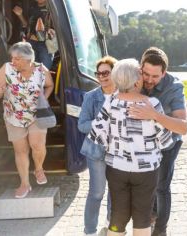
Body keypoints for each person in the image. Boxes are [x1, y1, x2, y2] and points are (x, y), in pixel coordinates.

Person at [88, 58, 173, 236]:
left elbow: (97, 135)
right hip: (147, 170)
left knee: (118, 216)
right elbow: (165, 141)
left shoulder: (110, 102)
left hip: (117, 168)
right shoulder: (152, 104)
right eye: (141, 74)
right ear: (136, 81)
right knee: (143, 217)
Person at [128, 47, 187, 236]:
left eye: (155, 76)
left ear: (164, 72)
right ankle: (151, 217)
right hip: (143, 142)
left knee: (161, 186)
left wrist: (154, 114)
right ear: (140, 68)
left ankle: (160, 230)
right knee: (146, 184)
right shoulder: (135, 76)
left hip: (169, 142)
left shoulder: (175, 86)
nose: (149, 80)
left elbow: (183, 127)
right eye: (146, 74)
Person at [0, 41, 54, 198]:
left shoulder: (40, 69)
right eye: (12, 58)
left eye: (17, 59)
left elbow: (50, 85)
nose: (13, 61)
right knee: (21, 150)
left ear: (28, 59)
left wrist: (43, 100)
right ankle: (25, 184)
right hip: (13, 116)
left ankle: (38, 168)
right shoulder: (7, 68)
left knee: (37, 145)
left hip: (35, 115)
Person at [78, 56, 117, 236]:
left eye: (105, 73)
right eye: (98, 73)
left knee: (115, 192)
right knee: (97, 193)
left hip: (119, 151)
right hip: (96, 151)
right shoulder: (91, 97)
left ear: (114, 73)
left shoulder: (123, 95)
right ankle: (90, 231)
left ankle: (111, 225)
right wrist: (101, 123)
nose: (101, 76)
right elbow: (82, 125)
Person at [12, 0, 55, 69]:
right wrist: (20, 15)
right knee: (30, 70)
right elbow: (26, 25)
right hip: (31, 43)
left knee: (43, 71)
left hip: (46, 45)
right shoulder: (31, 7)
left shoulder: (53, 8)